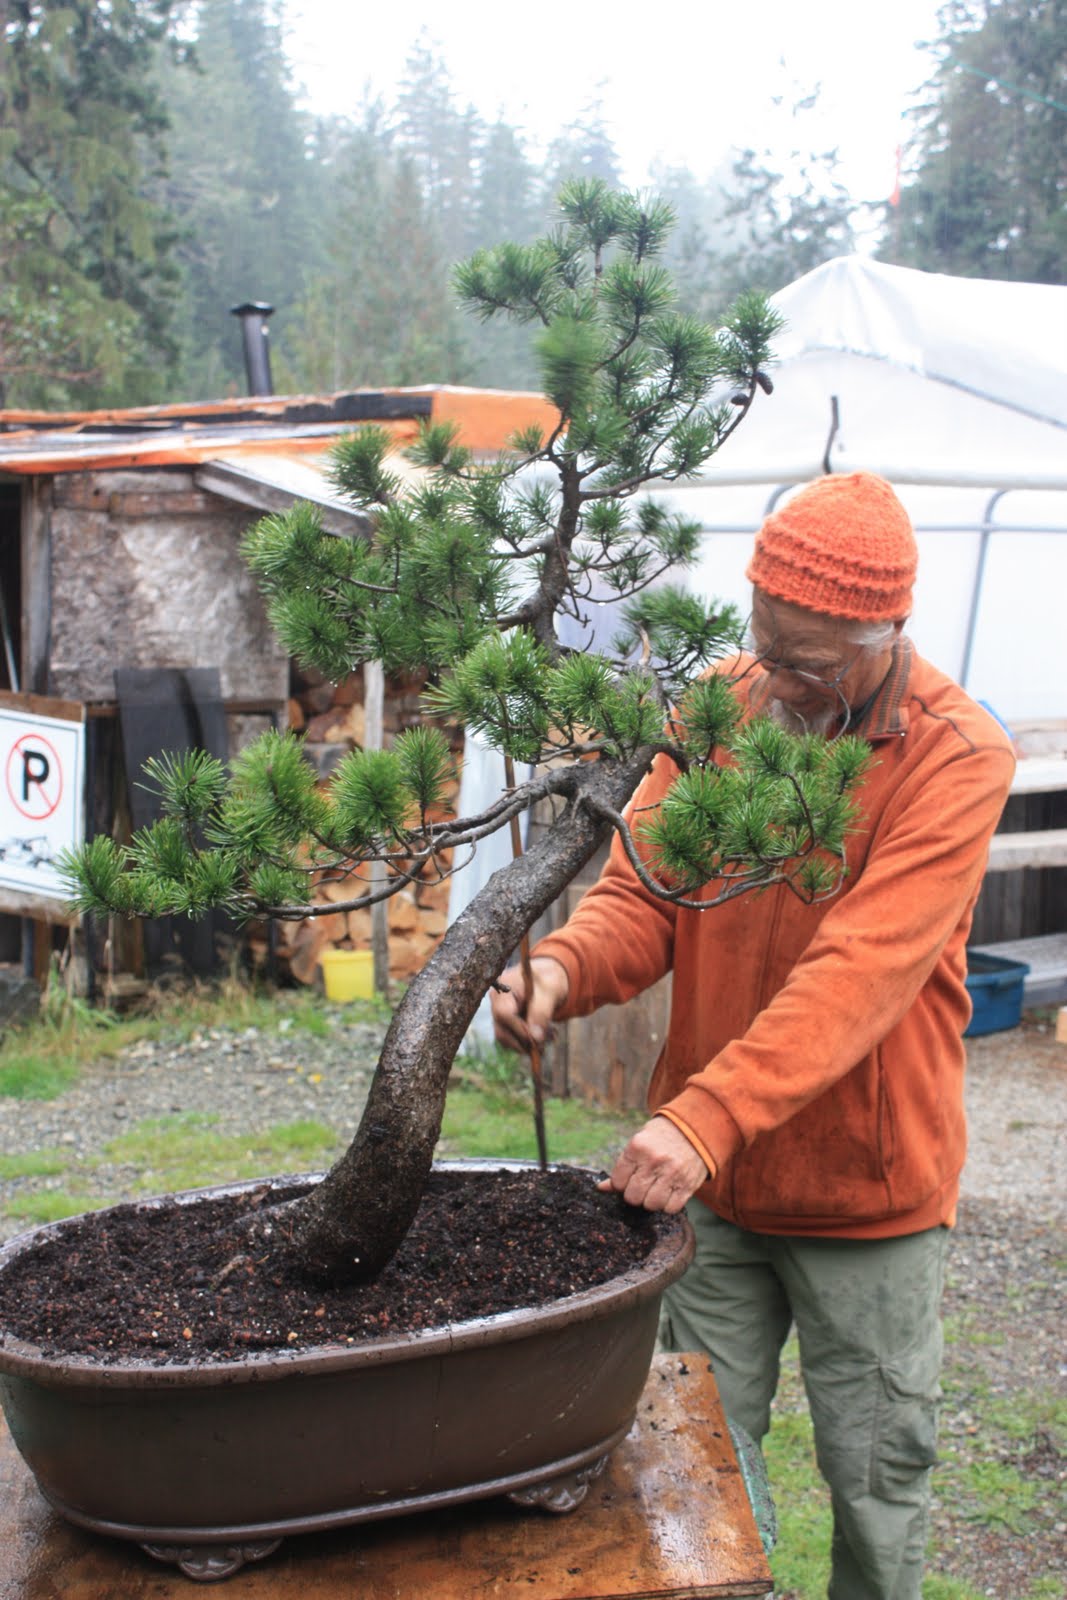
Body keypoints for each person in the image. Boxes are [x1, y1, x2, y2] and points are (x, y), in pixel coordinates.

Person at [491, 471, 1015, 1600]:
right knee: (694, 1467)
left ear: (885, 637)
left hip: (863, 1202)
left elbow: (860, 973)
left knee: (874, 1479)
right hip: (714, 1201)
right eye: (762, 645)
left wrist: (704, 1114)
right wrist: (559, 968)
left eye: (805, 664)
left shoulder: (953, 758)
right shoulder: (722, 709)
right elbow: (644, 891)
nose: (773, 681)